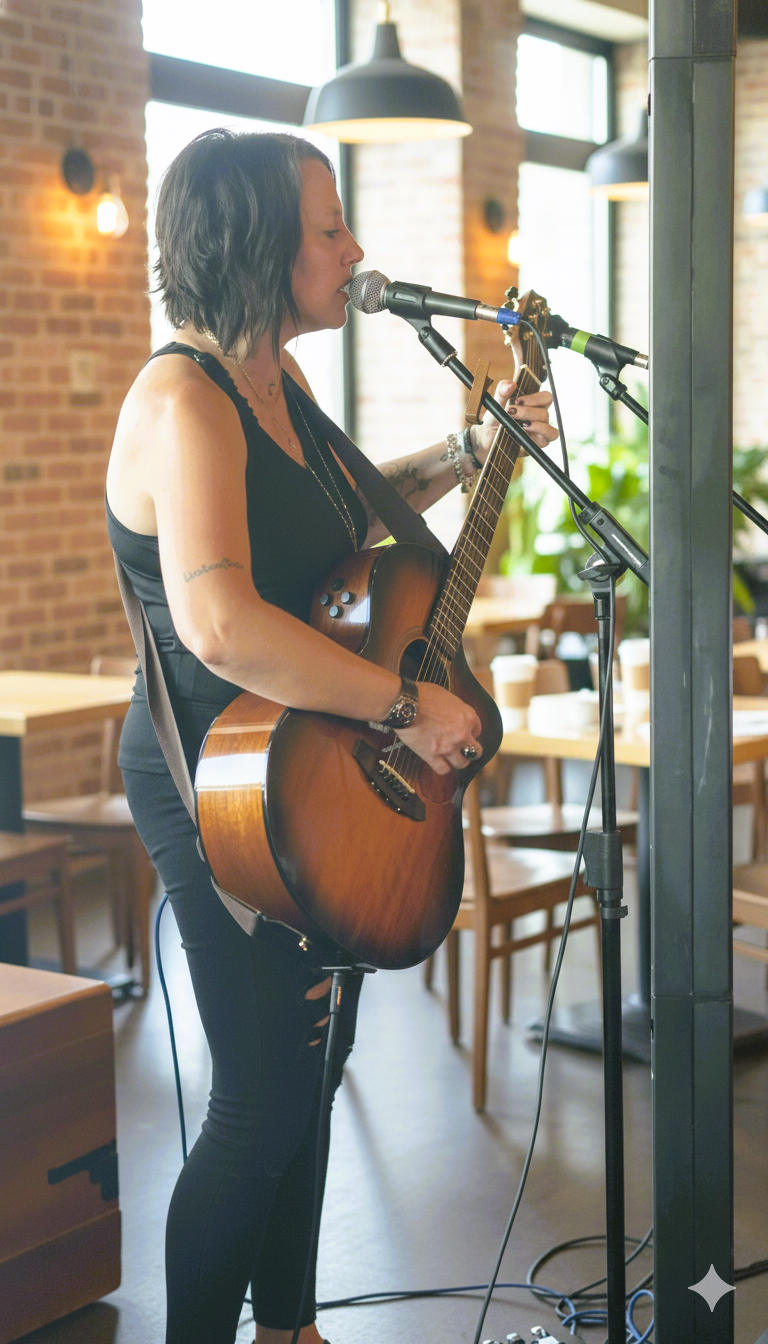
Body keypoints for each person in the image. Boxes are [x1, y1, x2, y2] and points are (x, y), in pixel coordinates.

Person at [105, 128, 558, 1344]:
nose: (355, 251)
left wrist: (472, 449)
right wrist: (408, 707)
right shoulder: (184, 400)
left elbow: (348, 515)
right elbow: (221, 626)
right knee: (261, 1093)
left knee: (314, 1064)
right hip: (218, 778)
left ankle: (291, 1325)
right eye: (329, 229)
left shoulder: (280, 388)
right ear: (260, 246)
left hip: (311, 760)